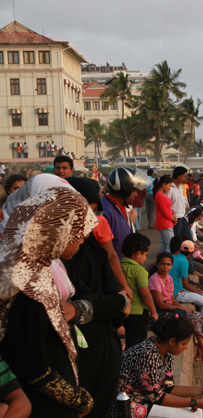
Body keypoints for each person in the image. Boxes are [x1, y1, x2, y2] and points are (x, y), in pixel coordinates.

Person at [0, 187, 97, 417]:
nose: (83, 239)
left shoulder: (36, 271)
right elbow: (35, 369)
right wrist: (79, 400)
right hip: (41, 406)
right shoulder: (26, 286)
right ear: (56, 231)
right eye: (77, 231)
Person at [63, 177, 131, 418]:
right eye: (85, 211)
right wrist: (118, 302)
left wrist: (119, 300)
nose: (91, 220)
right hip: (81, 347)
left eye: (94, 211)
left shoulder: (88, 245)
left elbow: (112, 293)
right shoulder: (57, 257)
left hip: (103, 341)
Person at [113, 314, 203, 418]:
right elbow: (156, 397)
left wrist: (202, 390)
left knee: (198, 411)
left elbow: (168, 387)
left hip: (144, 398)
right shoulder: (148, 355)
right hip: (126, 402)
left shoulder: (166, 352)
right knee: (190, 415)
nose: (186, 348)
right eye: (184, 344)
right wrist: (194, 402)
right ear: (172, 341)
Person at [148, 253, 203, 365]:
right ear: (157, 265)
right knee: (193, 318)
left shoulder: (169, 278)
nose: (165, 267)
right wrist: (183, 309)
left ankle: (202, 351)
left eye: (168, 264)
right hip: (160, 312)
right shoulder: (154, 279)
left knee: (197, 316)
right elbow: (160, 304)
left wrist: (181, 308)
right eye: (162, 264)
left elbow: (172, 300)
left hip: (170, 309)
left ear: (171, 266)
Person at [101, 167, 150, 260]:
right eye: (134, 190)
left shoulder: (120, 207)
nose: (136, 194)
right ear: (125, 190)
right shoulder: (105, 209)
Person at [121, 233, 158, 350]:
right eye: (145, 255)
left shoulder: (119, 266)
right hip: (137, 313)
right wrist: (153, 311)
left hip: (122, 310)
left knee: (128, 341)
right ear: (138, 254)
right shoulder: (139, 271)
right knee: (136, 344)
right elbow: (145, 294)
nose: (146, 258)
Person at [169, 238, 203, 329]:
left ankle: (199, 325)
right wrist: (198, 293)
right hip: (177, 294)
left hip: (174, 291)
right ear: (191, 253)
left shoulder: (174, 257)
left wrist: (196, 291)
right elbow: (186, 284)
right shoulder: (184, 261)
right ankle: (200, 329)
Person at [154, 175, 176, 253]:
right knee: (170, 245)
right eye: (169, 186)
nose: (170, 188)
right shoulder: (160, 196)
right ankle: (167, 262)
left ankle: (163, 261)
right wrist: (173, 218)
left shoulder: (160, 195)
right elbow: (165, 212)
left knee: (165, 245)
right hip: (165, 223)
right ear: (163, 185)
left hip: (165, 223)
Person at [169, 167, 190, 238]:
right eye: (184, 176)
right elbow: (167, 204)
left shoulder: (180, 186)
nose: (185, 178)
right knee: (177, 238)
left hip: (183, 216)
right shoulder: (170, 188)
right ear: (179, 176)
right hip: (176, 218)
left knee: (188, 238)